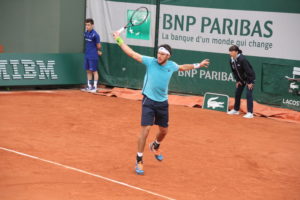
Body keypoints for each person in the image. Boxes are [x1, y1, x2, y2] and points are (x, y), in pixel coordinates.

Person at [113, 31, 210, 175]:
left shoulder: (171, 65)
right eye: (158, 53)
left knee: (164, 131)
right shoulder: (150, 61)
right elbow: (132, 54)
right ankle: (139, 159)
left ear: (168, 56)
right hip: (148, 100)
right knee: (145, 130)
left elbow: (184, 67)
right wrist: (119, 40)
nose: (159, 56)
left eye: (163, 54)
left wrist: (199, 65)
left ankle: (155, 145)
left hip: (162, 103)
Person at [227, 45, 256, 118]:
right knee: (237, 93)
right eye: (230, 51)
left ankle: (250, 113)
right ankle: (236, 110)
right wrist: (238, 80)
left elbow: (249, 71)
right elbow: (234, 71)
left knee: (248, 94)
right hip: (241, 80)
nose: (230, 53)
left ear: (236, 52)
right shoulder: (231, 60)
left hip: (249, 79)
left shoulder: (242, 59)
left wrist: (250, 82)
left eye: (232, 52)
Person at [83, 18, 102, 93]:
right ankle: (89, 86)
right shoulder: (85, 33)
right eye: (86, 25)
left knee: (94, 71)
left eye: (88, 25)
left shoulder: (95, 35)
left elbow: (99, 46)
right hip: (87, 55)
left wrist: (97, 51)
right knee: (88, 71)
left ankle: (95, 87)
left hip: (93, 55)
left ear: (92, 25)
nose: (87, 26)